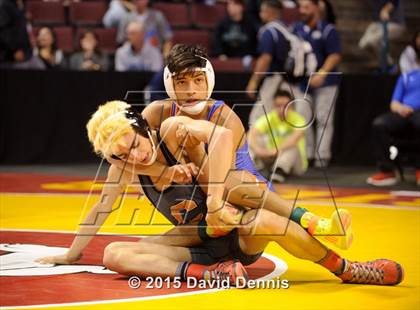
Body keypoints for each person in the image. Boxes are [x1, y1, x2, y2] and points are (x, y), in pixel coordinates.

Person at [37, 100, 403, 286]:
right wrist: (71, 254)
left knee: (245, 196)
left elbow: (224, 136)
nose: (134, 156)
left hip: (233, 225)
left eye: (132, 144)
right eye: (121, 155)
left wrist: (212, 198)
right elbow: (101, 209)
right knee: (115, 253)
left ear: (141, 127)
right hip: (196, 242)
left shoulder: (172, 129)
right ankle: (210, 273)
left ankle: (348, 268)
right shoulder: (123, 169)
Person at [292, 0, 341, 168]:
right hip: (302, 82)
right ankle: (307, 154)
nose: (302, 10)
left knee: (323, 118)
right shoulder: (297, 29)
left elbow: (334, 55)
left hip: (326, 82)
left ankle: (322, 156)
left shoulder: (328, 30)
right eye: (300, 7)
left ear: (316, 7)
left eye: (306, 7)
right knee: (302, 118)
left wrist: (322, 73)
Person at [367, 69, 420, 186]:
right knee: (379, 124)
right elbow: (394, 103)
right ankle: (387, 171)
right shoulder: (406, 77)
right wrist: (401, 108)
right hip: (403, 112)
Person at [245, 0, 290, 125]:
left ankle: (254, 145)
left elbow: (265, 58)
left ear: (269, 12)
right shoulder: (287, 29)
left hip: (274, 78)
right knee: (282, 117)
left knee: (257, 117)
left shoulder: (269, 31)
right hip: (290, 79)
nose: (260, 14)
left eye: (262, 11)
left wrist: (253, 81)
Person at [248, 89, 307, 182]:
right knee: (255, 141)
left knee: (293, 146)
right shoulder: (270, 117)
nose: (282, 109)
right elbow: (251, 134)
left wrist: (276, 150)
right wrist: (259, 151)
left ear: (291, 106)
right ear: (273, 105)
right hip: (272, 157)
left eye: (285, 105)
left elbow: (294, 138)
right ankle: (254, 168)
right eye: (278, 105)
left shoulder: (298, 119)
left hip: (294, 164)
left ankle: (279, 171)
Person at [358, 0, 405, 70]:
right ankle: (383, 62)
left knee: (372, 41)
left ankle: (389, 64)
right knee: (362, 44)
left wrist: (386, 9)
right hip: (377, 23)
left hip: (395, 23)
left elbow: (395, 1)